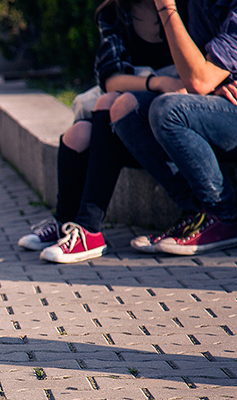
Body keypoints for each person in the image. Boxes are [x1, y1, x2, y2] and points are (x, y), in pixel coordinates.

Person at [17, 0, 186, 259]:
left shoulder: (188, 8)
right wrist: (160, 81)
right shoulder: (115, 12)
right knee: (77, 135)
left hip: (167, 120)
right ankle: (65, 224)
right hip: (130, 113)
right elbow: (111, 78)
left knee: (108, 103)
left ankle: (89, 230)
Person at [108, 0, 237, 256]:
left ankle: (223, 217)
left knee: (168, 110)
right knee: (125, 108)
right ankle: (197, 214)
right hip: (226, 103)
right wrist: (219, 83)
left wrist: (167, 7)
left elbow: (198, 79)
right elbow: (200, 76)